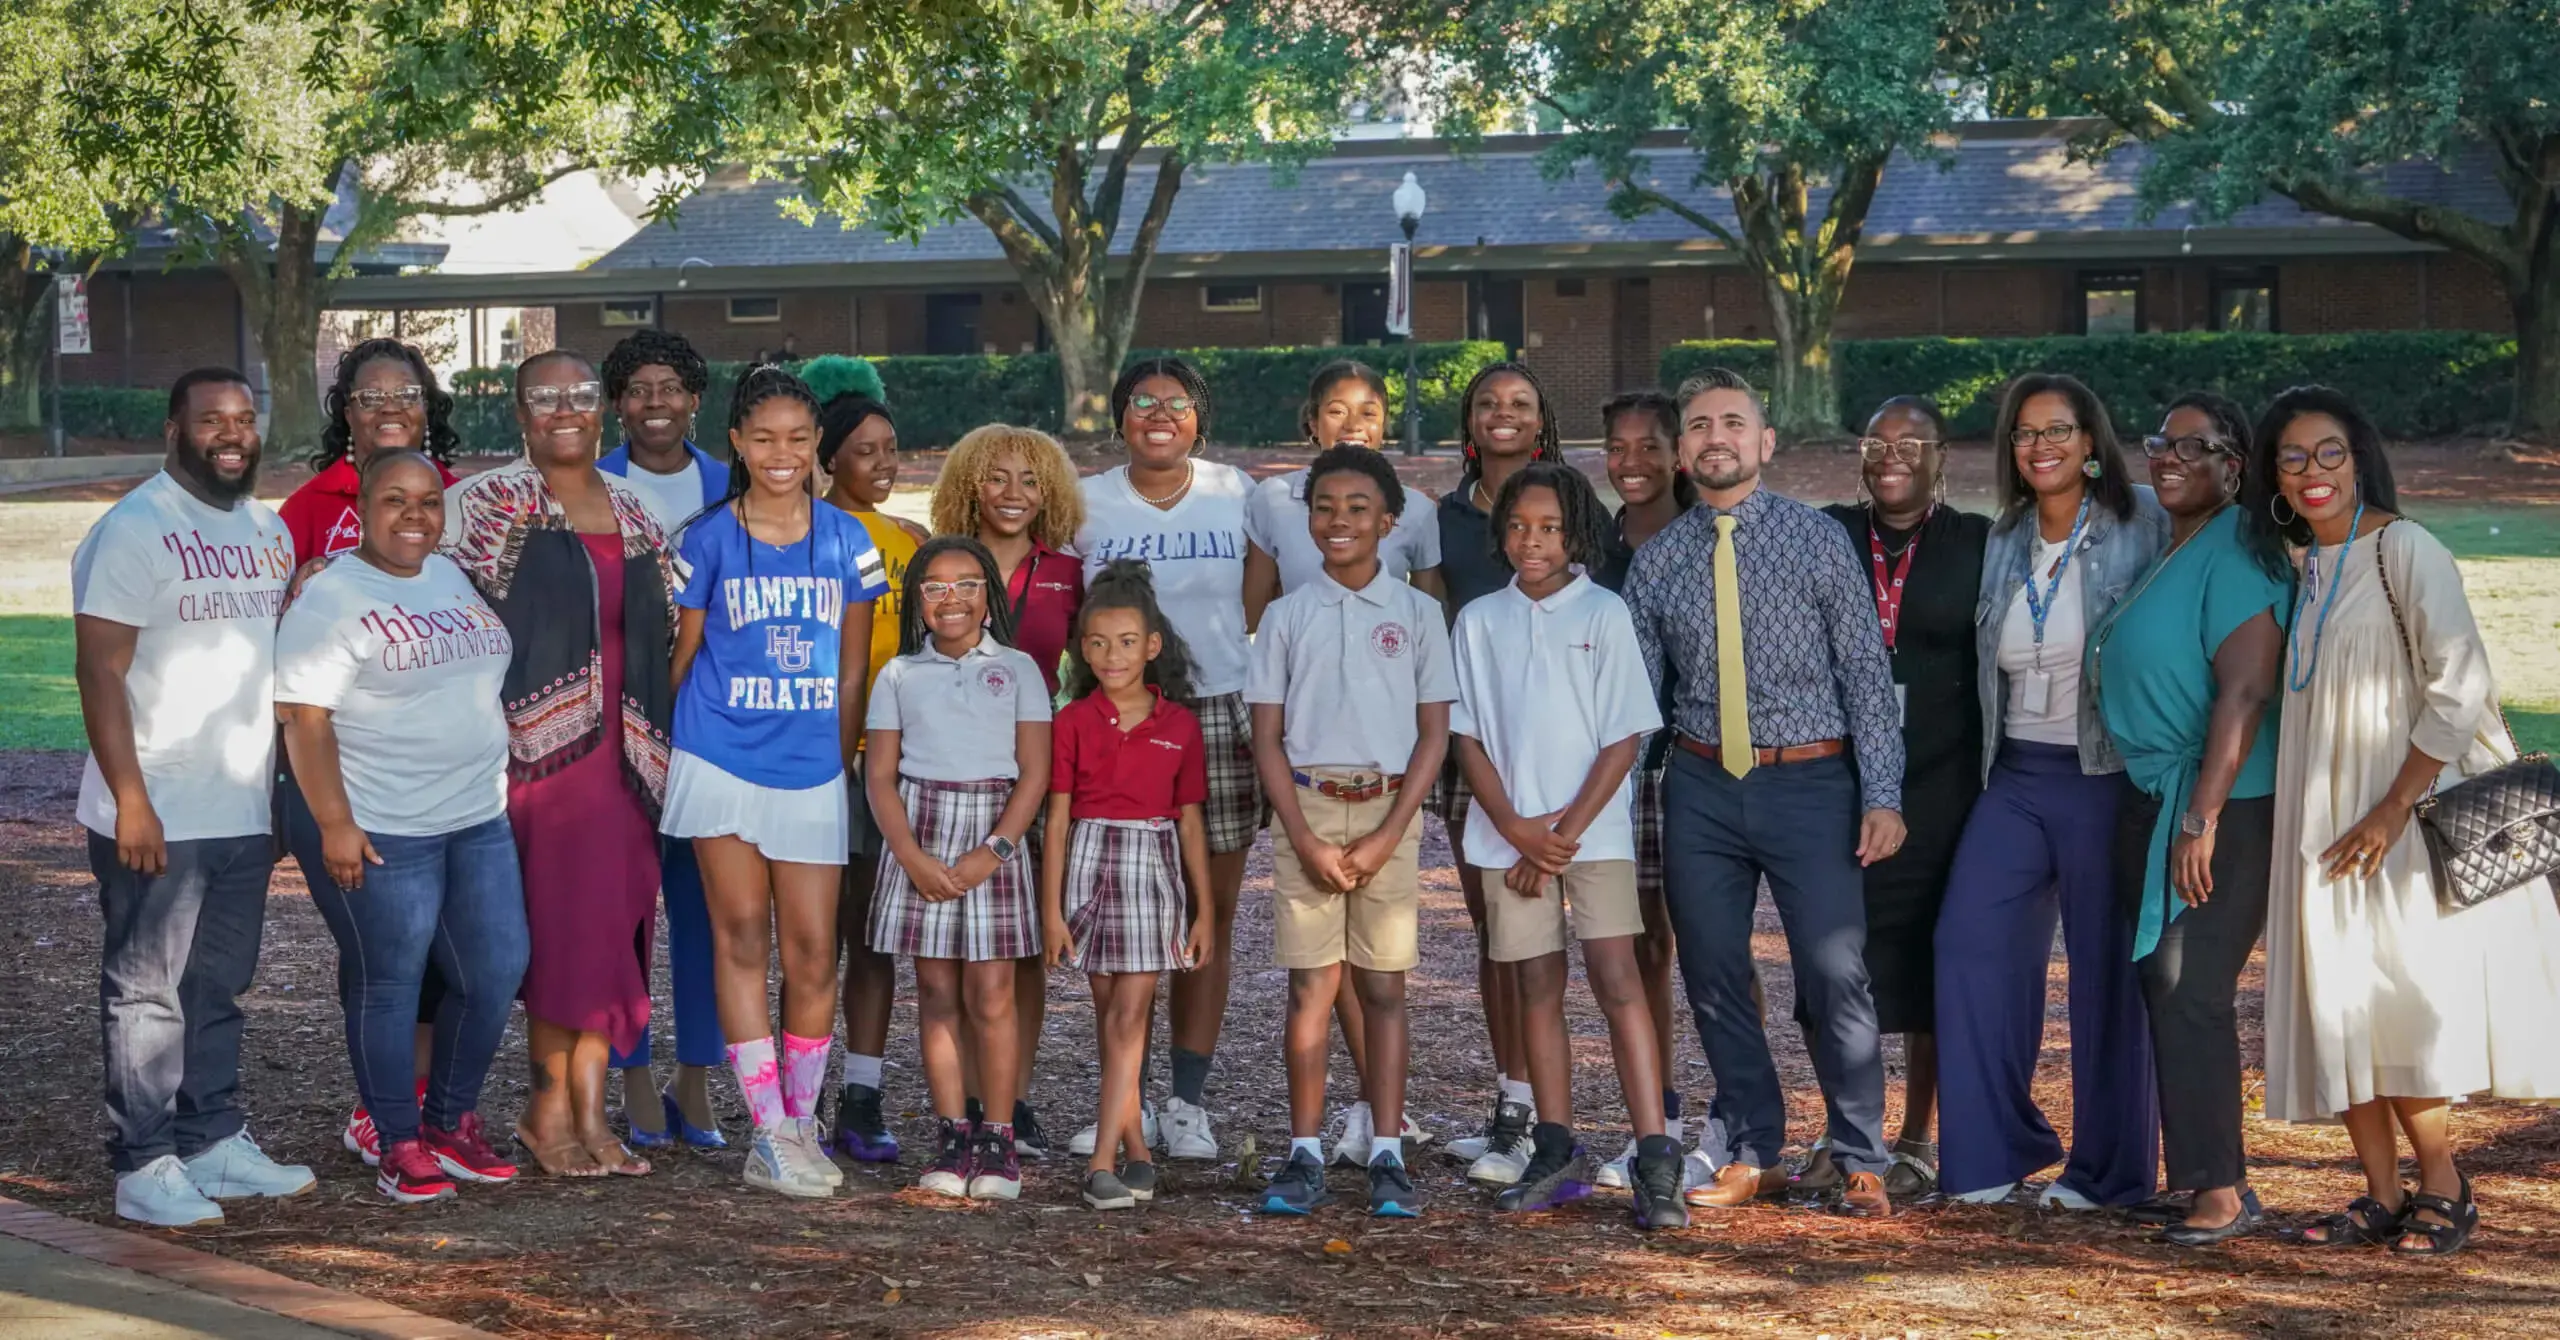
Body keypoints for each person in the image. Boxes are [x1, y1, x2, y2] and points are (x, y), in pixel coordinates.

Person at [2253, 386, 2560, 1257]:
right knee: (2336, 995)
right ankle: (2382, 1193)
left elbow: (2458, 686)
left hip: (2395, 808)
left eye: (2330, 454)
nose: (2313, 473)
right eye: (2293, 458)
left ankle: (2445, 1184)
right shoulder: (2296, 564)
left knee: (2388, 991)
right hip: (2316, 812)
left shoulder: (2406, 549)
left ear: (2360, 459)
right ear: (2274, 476)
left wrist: (2391, 809)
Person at [1621, 367, 1905, 1219]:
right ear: (1681, 450)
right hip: (1702, 785)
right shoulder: (1657, 562)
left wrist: (1881, 793)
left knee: (1834, 972)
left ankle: (1859, 1156)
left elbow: (1864, 670)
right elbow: (1638, 704)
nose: (1716, 437)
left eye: (1733, 423)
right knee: (1713, 973)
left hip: (1811, 782)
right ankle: (1755, 1150)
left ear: (1764, 442)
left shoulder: (1818, 540)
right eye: (1700, 424)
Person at [73, 367, 313, 1227]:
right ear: (175, 429)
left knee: (219, 985)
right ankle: (143, 1164)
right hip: (158, 807)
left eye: (244, 419)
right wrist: (131, 798)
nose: (232, 434)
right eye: (213, 419)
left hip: (240, 804)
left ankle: (210, 1138)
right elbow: (99, 671)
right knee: (146, 991)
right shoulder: (133, 530)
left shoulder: (265, 529)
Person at [1935, 372, 2167, 1211]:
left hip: (2105, 776)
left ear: (2091, 440)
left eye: (2058, 430)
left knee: (2107, 973)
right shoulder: (2002, 537)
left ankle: (2110, 1174)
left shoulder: (2143, 521)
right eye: (2025, 434)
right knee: (1969, 947)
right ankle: (1995, 1151)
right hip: (2017, 779)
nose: (2041, 446)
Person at [444, 350, 679, 1178]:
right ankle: (545, 1108)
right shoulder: (486, 505)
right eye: (544, 398)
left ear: (601, 409)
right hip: (542, 763)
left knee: (615, 938)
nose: (565, 410)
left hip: (632, 761)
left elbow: (673, 630)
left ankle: (590, 1108)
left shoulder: (638, 509)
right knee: (566, 939)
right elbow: (422, 594)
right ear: (519, 413)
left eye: (580, 396)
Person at [276, 450, 527, 1204]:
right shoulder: (332, 596)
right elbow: (304, 718)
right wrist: (334, 823)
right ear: (365, 508)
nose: (413, 515)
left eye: (427, 501)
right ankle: (397, 1142)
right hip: (382, 823)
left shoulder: (449, 575)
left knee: (494, 971)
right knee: (389, 981)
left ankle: (448, 1123)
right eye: (394, 500)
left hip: (476, 814)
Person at [661, 367, 889, 1198]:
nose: (781, 454)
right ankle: (768, 1131)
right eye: (764, 439)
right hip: (718, 758)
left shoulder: (847, 541)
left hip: (811, 767)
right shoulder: (708, 537)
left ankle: (802, 1120)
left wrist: (830, 760)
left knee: (814, 952)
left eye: (798, 439)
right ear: (736, 443)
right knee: (742, 936)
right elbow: (682, 661)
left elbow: (855, 673)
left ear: (816, 447)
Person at [1450, 461, 1686, 1229]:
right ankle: (1554, 1148)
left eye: (1549, 528)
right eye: (1518, 526)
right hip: (1509, 841)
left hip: (1594, 834)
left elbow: (1623, 741)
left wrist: (1559, 835)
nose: (1532, 541)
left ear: (1576, 533)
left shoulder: (1603, 613)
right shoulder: (1479, 620)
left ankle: (1655, 1155)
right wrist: (1520, 830)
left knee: (1619, 980)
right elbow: (1468, 739)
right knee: (1535, 989)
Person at [2085, 392, 2290, 1245]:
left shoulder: (2239, 552)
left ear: (2233, 466)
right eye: (2158, 443)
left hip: (2221, 807)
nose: (2167, 458)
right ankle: (2210, 1177)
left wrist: (2201, 817)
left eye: (2191, 447)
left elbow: (2244, 690)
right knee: (2164, 985)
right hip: (2158, 795)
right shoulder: (2175, 548)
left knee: (2189, 986)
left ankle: (2221, 1191)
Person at [1248, 445, 1457, 1220]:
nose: (1340, 521)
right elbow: (1266, 736)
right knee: (1311, 985)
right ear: (1307, 520)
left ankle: (1388, 1152)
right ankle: (1303, 1153)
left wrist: (1386, 834)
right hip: (1305, 811)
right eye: (1325, 507)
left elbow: (1433, 736)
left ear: (1390, 522)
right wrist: (1301, 837)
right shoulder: (1285, 615)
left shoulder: (1418, 614)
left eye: (1358, 508)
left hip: (1387, 815)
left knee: (1383, 987)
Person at [1797, 397, 1990, 1201]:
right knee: (1831, 965)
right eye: (1877, 442)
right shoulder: (1826, 532)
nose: (1892, 455)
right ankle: (1851, 1132)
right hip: (1834, 784)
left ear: (1943, 454)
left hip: (1941, 786)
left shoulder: (1978, 543)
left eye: (1912, 443)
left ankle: (1914, 1139)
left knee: (1928, 967)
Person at [1074, 357, 1249, 1160]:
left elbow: (1269, 591)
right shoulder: (1087, 501)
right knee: (1116, 916)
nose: (1158, 414)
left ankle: (1186, 1102)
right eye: (1141, 402)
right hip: (1115, 717)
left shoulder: (1240, 494)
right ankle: (1124, 1101)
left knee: (1205, 911)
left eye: (1175, 404)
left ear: (1198, 421)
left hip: (1215, 712)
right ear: (1120, 419)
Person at [866, 537, 1054, 1202]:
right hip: (919, 836)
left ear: (989, 597)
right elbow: (881, 777)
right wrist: (913, 859)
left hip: (990, 835)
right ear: (915, 598)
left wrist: (994, 851)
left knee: (993, 996)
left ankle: (998, 1136)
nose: (952, 598)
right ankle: (952, 1134)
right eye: (936, 586)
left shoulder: (1019, 669)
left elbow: (1033, 773)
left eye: (968, 584)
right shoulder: (897, 675)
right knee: (938, 994)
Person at [930, 422, 1085, 1158]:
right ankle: (960, 1100)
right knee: (958, 950)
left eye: (1030, 480)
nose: (1014, 494)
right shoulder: (947, 568)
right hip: (954, 769)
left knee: (1023, 946)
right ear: (968, 486)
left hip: (1039, 771)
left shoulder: (1068, 570)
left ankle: (1011, 1099)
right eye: (997, 478)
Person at [1039, 562, 1215, 1211]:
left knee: (1130, 1016)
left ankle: (1103, 1159)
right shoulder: (1073, 722)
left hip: (1152, 866)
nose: (1111, 655)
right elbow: (1057, 821)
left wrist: (1205, 912)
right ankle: (1139, 1150)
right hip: (1089, 861)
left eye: (1125, 641)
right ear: (1081, 648)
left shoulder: (1180, 726)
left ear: (1152, 646)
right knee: (1110, 1017)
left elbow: (1192, 824)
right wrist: (1052, 909)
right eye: (1096, 642)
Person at [1434, 361, 1570, 1183]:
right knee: (1499, 934)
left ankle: (1589, 1114)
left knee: (1587, 944)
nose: (1502, 413)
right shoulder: (1444, 521)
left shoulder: (1571, 512)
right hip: (1477, 753)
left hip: (1566, 757)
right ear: (1470, 424)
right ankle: (1512, 1108)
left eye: (1520, 401)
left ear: (1542, 422)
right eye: (1488, 402)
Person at [597, 328, 731, 1150]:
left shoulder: (730, 484)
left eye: (670, 388)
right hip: (619, 720)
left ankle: (697, 1078)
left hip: (714, 726)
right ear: (619, 402)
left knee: (710, 907)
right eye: (639, 389)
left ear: (693, 399)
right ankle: (634, 1071)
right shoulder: (589, 484)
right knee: (624, 910)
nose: (655, 403)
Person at [1587, 389, 1698, 1192]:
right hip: (1617, 772)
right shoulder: (1595, 543)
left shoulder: (1705, 539)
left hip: (1692, 763)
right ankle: (1657, 1118)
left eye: (1648, 446)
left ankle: (1731, 1120)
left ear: (1679, 453)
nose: (1631, 462)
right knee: (1642, 944)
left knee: (1715, 946)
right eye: (1617, 447)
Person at [817, 386, 928, 1164]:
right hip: (816, 755)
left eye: (891, 449)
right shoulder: (803, 534)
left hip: (891, 760)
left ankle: (861, 1092)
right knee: (811, 936)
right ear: (827, 457)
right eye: (865, 450)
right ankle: (797, 1095)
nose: (883, 464)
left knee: (873, 935)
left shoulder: (914, 541)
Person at [280, 339, 463, 566]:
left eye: (406, 394)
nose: (389, 408)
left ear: (424, 408)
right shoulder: (304, 510)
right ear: (349, 414)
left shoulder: (463, 500)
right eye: (370, 397)